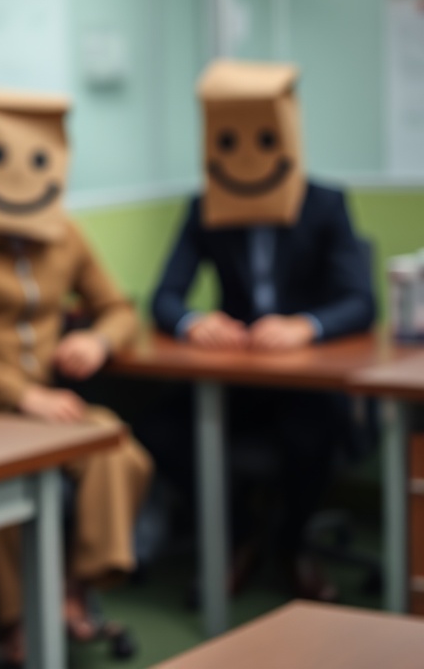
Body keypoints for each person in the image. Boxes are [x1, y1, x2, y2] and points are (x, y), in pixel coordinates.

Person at [0, 89, 151, 662]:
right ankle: (17, 618)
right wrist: (21, 394)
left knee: (123, 455)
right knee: (3, 480)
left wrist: (96, 339)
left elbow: (119, 308)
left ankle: (75, 587)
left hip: (51, 402)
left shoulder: (64, 234)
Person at [144, 59, 376, 600]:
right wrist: (192, 320)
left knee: (309, 436)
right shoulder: (206, 208)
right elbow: (164, 297)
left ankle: (294, 545)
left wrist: (308, 326)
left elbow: (361, 301)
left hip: (308, 382)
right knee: (160, 430)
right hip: (238, 377)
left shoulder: (326, 205)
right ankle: (241, 536)